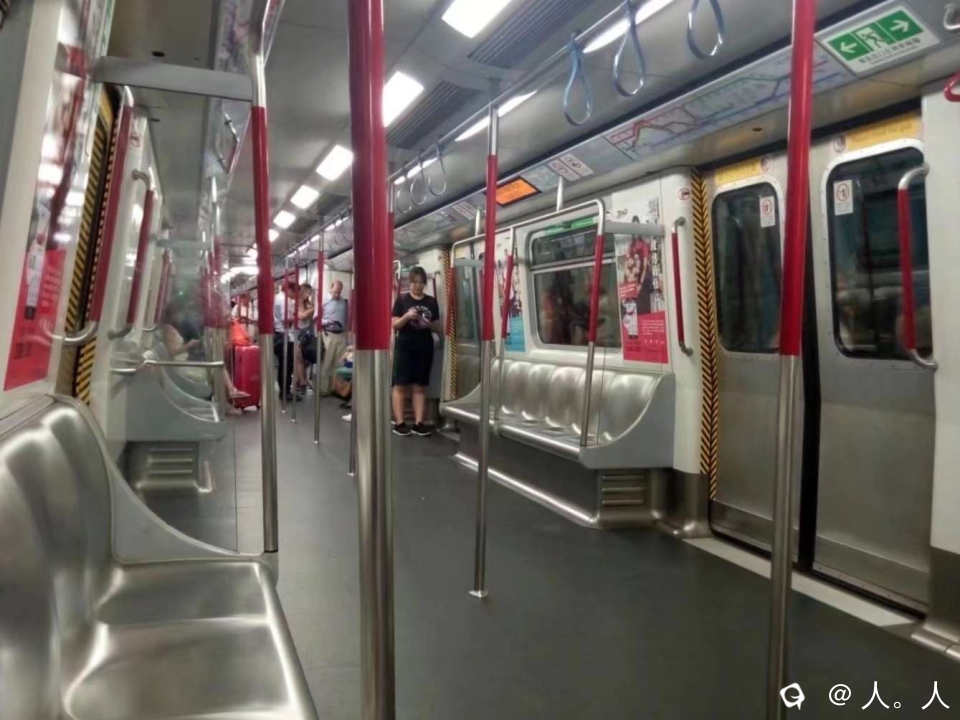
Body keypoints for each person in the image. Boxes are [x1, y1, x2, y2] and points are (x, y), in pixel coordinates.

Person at [391, 266, 440, 437]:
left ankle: (419, 423)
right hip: (405, 347)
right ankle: (400, 423)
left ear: (424, 284)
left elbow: (438, 326)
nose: (417, 286)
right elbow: (395, 324)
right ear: (409, 283)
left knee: (420, 386)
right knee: (400, 385)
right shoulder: (402, 300)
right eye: (415, 282)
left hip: (424, 347)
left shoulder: (431, 302)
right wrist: (406, 316)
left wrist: (428, 323)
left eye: (420, 283)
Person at [318, 279, 348, 396]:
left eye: (339, 292)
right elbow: (316, 318)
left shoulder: (344, 302)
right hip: (329, 334)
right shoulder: (323, 301)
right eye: (335, 292)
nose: (337, 294)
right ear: (330, 289)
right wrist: (327, 321)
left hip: (341, 334)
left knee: (339, 363)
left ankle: (335, 388)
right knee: (327, 363)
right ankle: (324, 389)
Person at [273, 280, 297, 401]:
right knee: (286, 366)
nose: (295, 294)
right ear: (289, 289)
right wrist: (295, 318)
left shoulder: (278, 298)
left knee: (284, 365)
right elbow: (285, 319)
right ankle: (285, 392)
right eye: (294, 291)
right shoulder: (284, 300)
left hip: (279, 334)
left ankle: (284, 391)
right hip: (284, 335)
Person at [294, 282, 316, 396]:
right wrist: (313, 309)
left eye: (310, 293)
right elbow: (301, 316)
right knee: (300, 358)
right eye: (307, 292)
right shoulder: (296, 303)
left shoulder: (309, 303)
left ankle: (299, 380)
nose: (309, 295)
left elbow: (310, 316)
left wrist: (311, 309)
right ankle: (302, 383)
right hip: (298, 332)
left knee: (307, 359)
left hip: (308, 332)